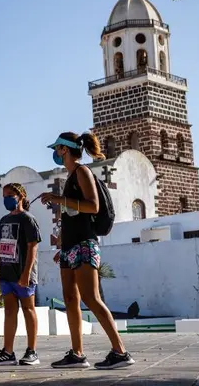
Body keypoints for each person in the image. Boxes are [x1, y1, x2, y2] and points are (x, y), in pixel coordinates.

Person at [39, 132, 135, 370]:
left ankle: (120, 351)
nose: (55, 153)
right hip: (69, 246)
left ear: (64, 149)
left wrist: (59, 199)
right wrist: (61, 243)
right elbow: (73, 217)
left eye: (58, 149)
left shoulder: (82, 172)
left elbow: (93, 206)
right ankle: (77, 353)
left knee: (91, 298)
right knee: (71, 299)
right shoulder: (71, 175)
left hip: (84, 244)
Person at [0, 183, 41, 366]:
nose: (6, 198)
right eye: (4, 195)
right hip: (6, 273)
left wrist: (26, 273)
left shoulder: (28, 219)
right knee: (9, 311)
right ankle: (7, 352)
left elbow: (33, 246)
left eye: (10, 194)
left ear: (21, 196)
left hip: (23, 274)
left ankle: (32, 351)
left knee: (28, 309)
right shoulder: (3, 220)